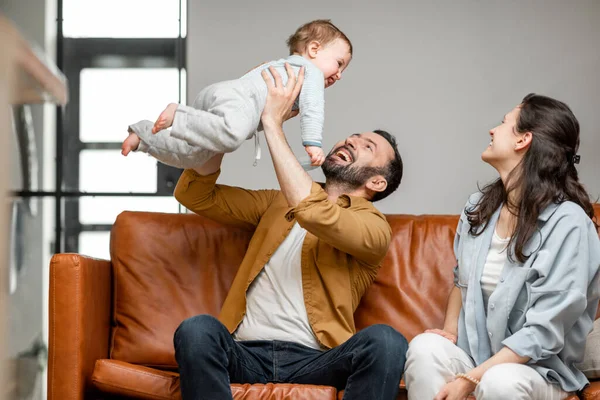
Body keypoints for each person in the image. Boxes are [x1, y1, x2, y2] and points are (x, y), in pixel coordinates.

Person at [171, 64, 406, 400]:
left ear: (377, 182)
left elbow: (315, 213)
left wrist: (271, 122)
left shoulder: (374, 228)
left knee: (386, 340)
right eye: (352, 136)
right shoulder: (277, 203)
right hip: (244, 352)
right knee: (197, 330)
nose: (351, 141)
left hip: (318, 359)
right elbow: (194, 194)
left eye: (367, 147)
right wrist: (229, 127)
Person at [404, 93, 600, 400]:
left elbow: (543, 334)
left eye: (504, 123)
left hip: (538, 370)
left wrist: (470, 379)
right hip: (477, 356)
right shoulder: (478, 208)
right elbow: (461, 281)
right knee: (424, 348)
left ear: (524, 139)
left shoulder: (569, 224)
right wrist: (451, 331)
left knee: (500, 381)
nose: (493, 130)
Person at [121, 19, 353, 170]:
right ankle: (178, 114)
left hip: (221, 99)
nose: (339, 75)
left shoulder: (284, 68)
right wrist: (313, 144)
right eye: (339, 63)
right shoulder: (309, 72)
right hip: (235, 102)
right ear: (314, 49)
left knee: (193, 157)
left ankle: (143, 137)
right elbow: (314, 109)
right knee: (233, 136)